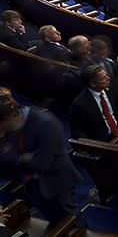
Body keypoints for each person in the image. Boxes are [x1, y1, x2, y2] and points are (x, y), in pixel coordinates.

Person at [0, 89, 84, 227]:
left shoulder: (45, 122)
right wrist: (22, 158)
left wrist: (18, 159)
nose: (2, 132)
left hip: (56, 181)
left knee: (70, 219)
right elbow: (3, 157)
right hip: (32, 183)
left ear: (14, 115)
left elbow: (42, 163)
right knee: (53, 220)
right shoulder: (10, 123)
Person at [69, 66, 118, 141]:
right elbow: (77, 132)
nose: (108, 78)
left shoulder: (110, 89)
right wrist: (95, 145)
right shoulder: (80, 104)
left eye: (106, 75)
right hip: (102, 142)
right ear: (92, 84)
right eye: (103, 78)